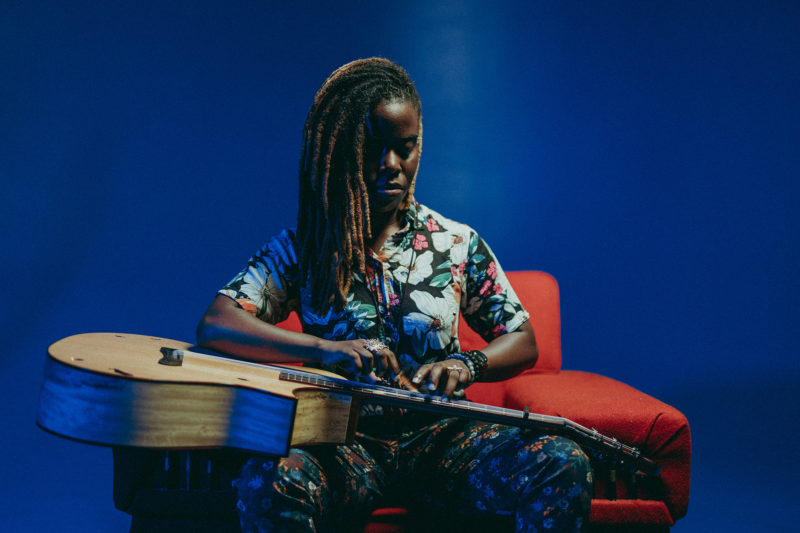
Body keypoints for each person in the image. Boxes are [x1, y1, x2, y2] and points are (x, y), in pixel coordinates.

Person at [197, 57, 592, 532]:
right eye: (374, 149)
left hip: (446, 442)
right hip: (344, 444)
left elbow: (523, 339)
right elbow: (217, 323)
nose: (392, 166)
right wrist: (325, 349)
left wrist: (468, 364)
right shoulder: (307, 246)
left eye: (405, 148)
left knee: (560, 460)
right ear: (342, 148)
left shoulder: (454, 241)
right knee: (270, 479)